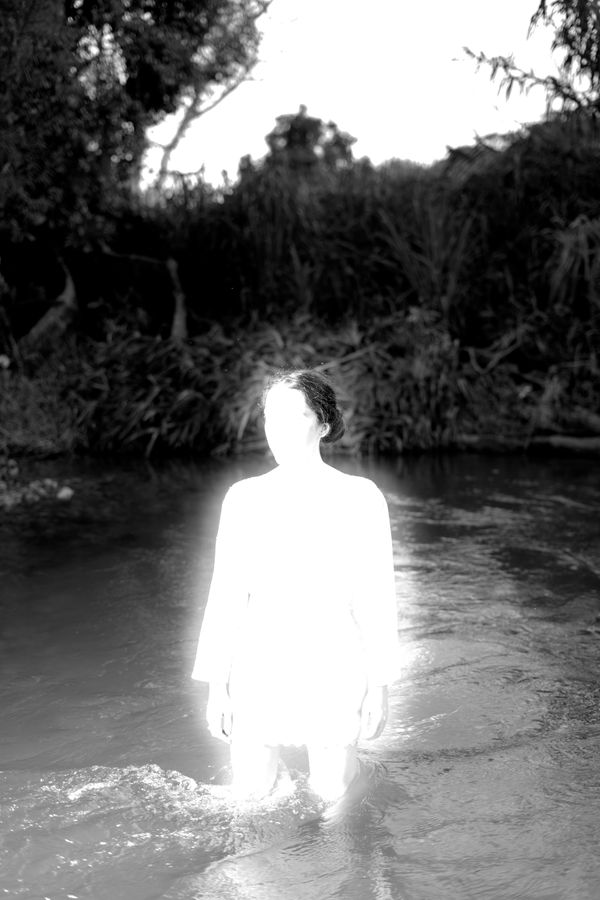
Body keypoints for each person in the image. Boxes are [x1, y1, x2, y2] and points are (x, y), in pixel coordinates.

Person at [191, 369, 398, 801]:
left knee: (334, 796)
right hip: (259, 657)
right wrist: (217, 689)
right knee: (251, 796)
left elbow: (377, 599)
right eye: (270, 417)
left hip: (333, 655)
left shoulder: (361, 496)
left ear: (323, 424)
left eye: (294, 416)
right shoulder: (244, 497)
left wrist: (380, 688)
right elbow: (226, 597)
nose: (278, 429)